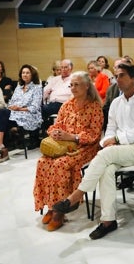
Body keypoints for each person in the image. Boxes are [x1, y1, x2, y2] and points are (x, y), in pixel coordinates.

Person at [52, 64, 134, 239]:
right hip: (117, 150)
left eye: (122, 75)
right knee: (106, 169)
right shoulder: (116, 102)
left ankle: (77, 195)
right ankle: (108, 220)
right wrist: (107, 141)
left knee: (104, 154)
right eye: (116, 76)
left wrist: (115, 140)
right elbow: (109, 130)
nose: (118, 79)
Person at [33, 71, 104, 231]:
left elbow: (94, 135)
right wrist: (55, 133)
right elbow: (56, 125)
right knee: (42, 162)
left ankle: (60, 211)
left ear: (87, 86)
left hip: (86, 147)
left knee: (60, 164)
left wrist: (72, 137)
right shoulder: (67, 105)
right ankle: (51, 205)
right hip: (64, 145)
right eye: (71, 85)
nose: (73, 88)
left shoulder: (95, 107)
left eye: (76, 84)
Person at [0, 64, 43, 162]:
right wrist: (12, 107)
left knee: (3, 118)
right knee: (2, 115)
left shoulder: (37, 87)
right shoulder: (19, 87)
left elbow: (34, 107)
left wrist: (19, 108)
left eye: (27, 73)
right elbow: (11, 102)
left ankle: (2, 148)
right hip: (15, 113)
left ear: (32, 74)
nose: (25, 75)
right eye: (23, 73)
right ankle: (1, 145)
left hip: (29, 115)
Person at [42, 59, 73, 130]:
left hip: (65, 104)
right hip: (52, 104)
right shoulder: (55, 79)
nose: (63, 69)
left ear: (71, 68)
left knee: (42, 110)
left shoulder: (74, 79)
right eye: (62, 67)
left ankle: (45, 132)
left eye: (65, 67)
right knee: (36, 109)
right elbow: (44, 92)